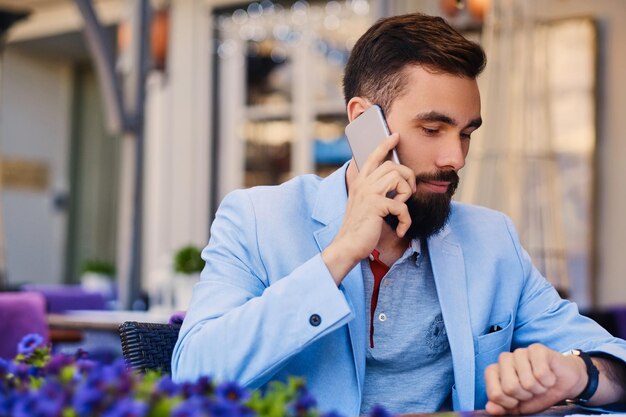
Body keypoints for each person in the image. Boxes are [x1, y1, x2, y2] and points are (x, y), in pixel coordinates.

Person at [171, 12, 626, 416]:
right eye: (432, 129)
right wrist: (340, 254)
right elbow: (193, 374)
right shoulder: (256, 218)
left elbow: (614, 360)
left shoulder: (492, 239)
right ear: (364, 121)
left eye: (466, 133)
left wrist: (580, 375)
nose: (456, 157)